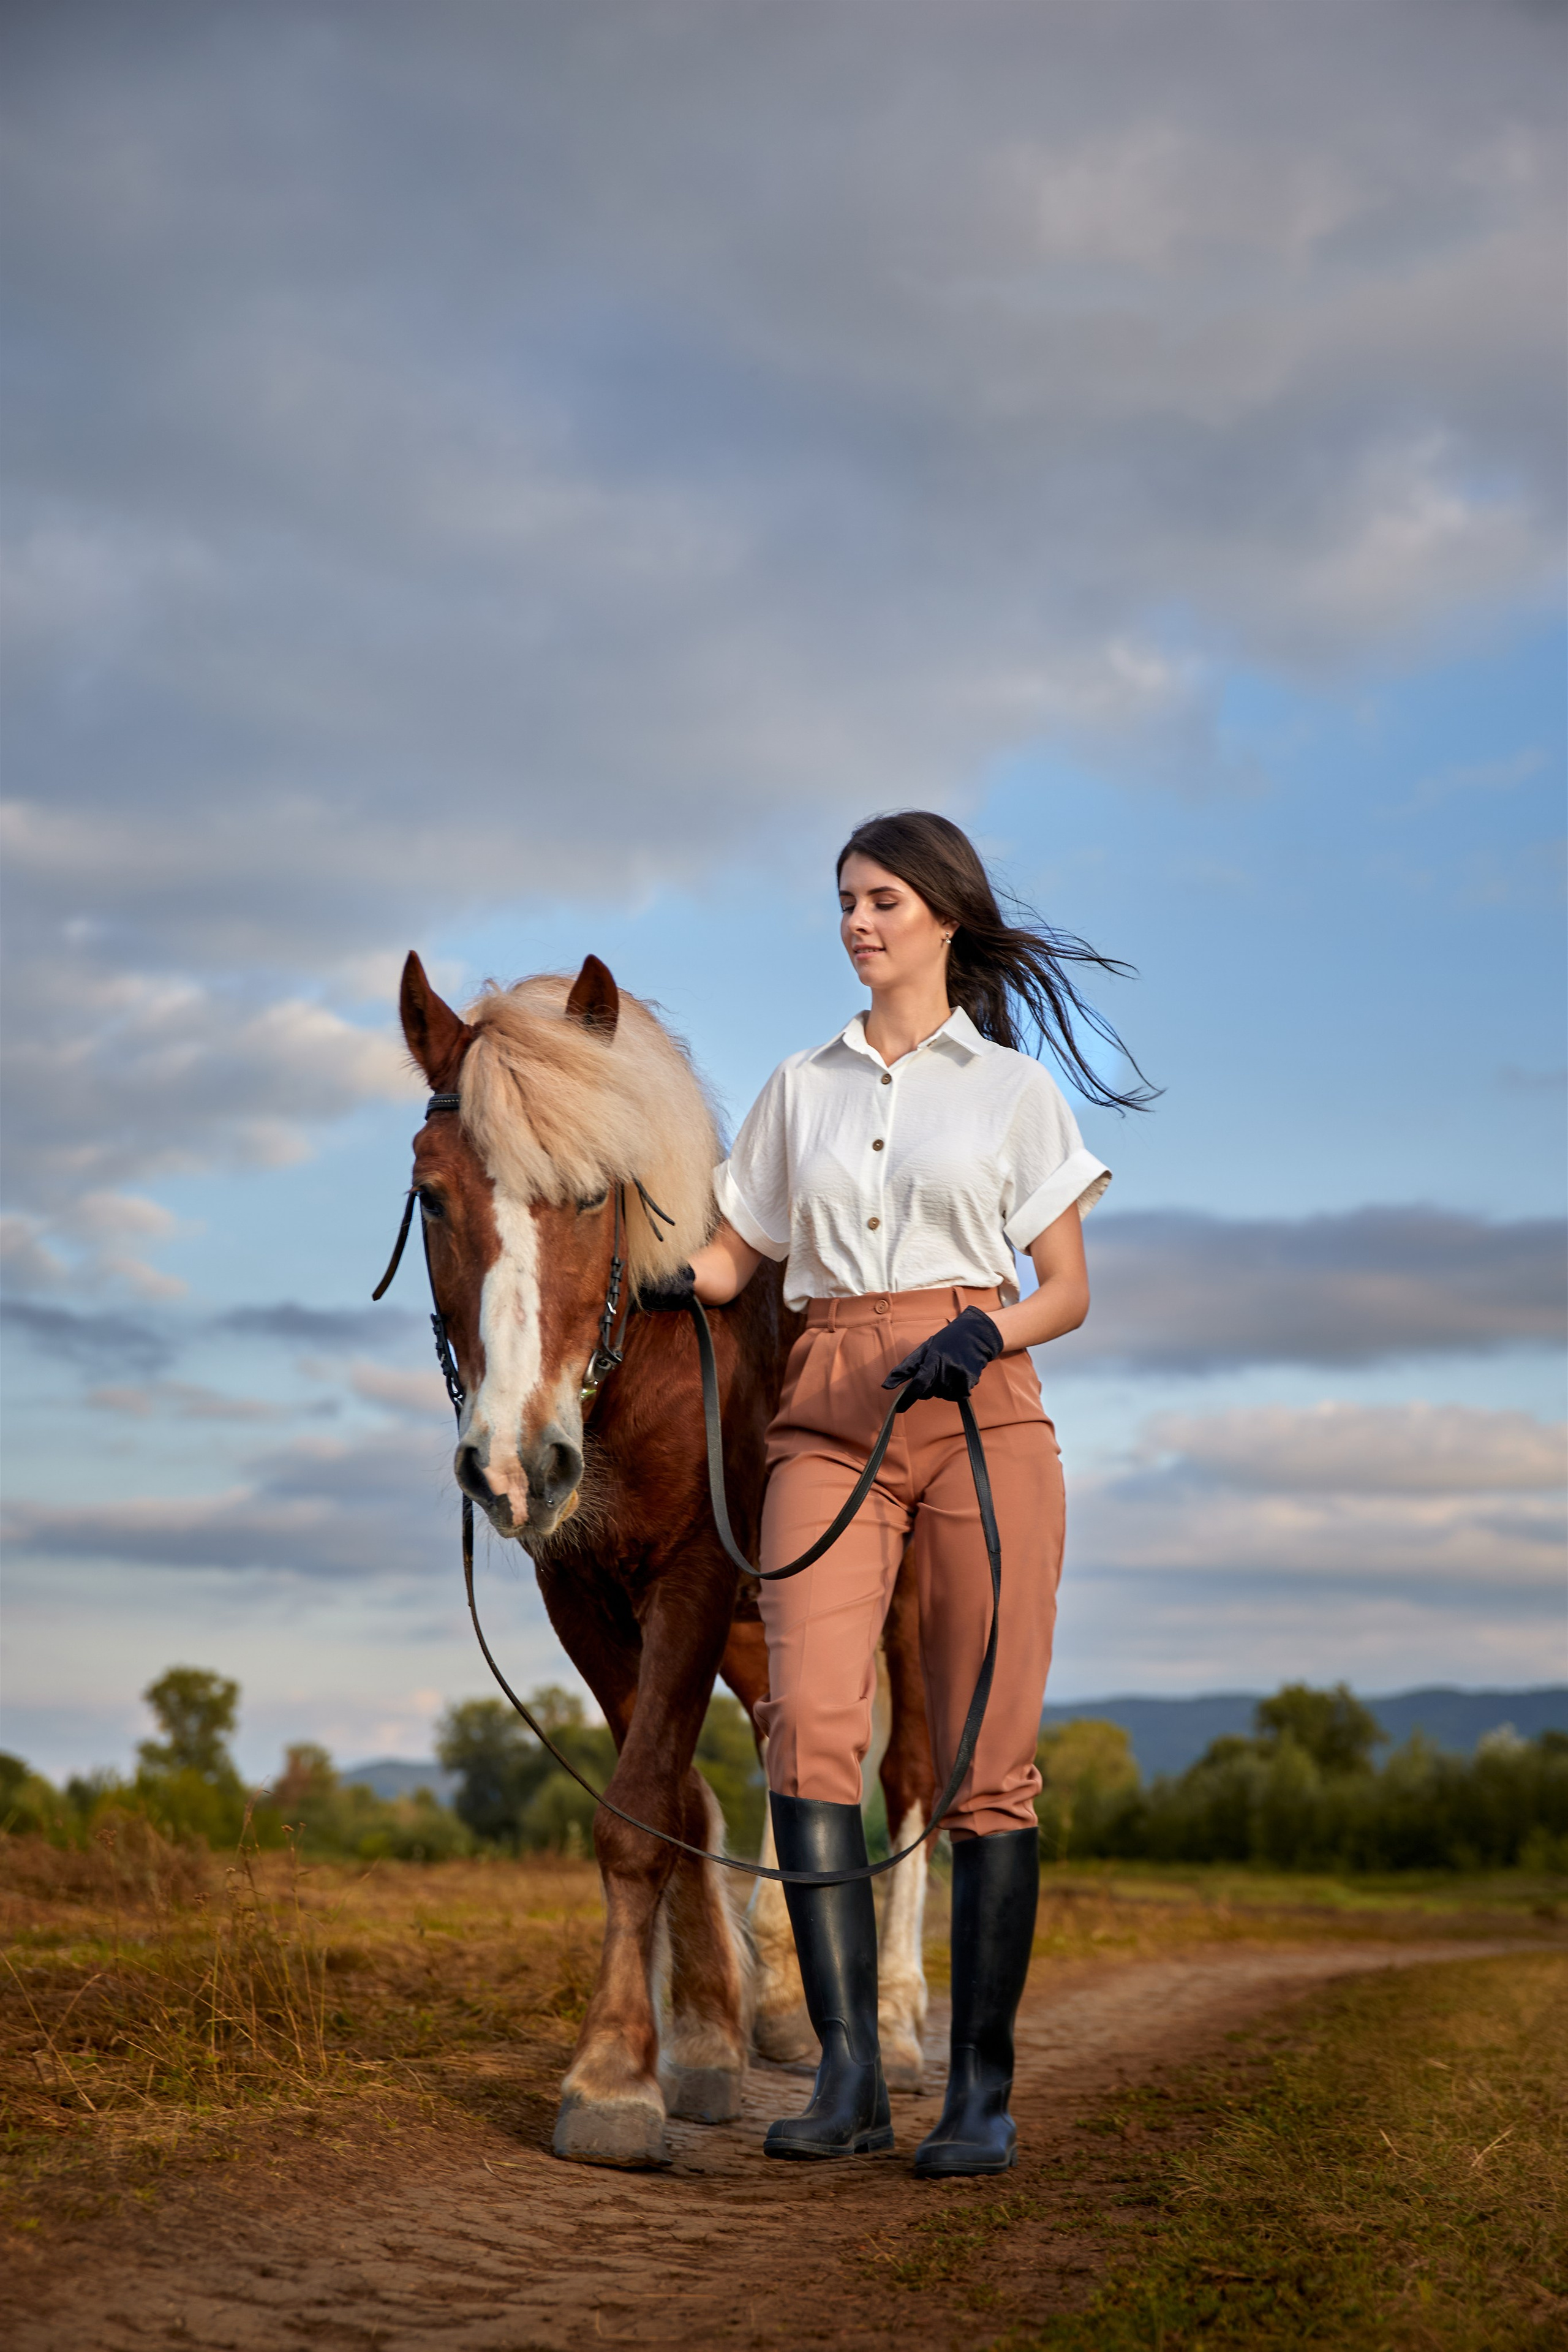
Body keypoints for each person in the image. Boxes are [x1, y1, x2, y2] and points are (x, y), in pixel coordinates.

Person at [644, 809, 1152, 2174]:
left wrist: (982, 1331)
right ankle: (848, 2080)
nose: (858, 924)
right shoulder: (796, 1087)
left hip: (978, 1409)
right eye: (845, 903)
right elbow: (729, 1260)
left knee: (985, 1765)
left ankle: (977, 2096)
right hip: (824, 1413)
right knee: (806, 1726)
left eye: (882, 901)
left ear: (940, 915)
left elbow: (1068, 1289)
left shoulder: (1009, 1091)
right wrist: (632, 1267)